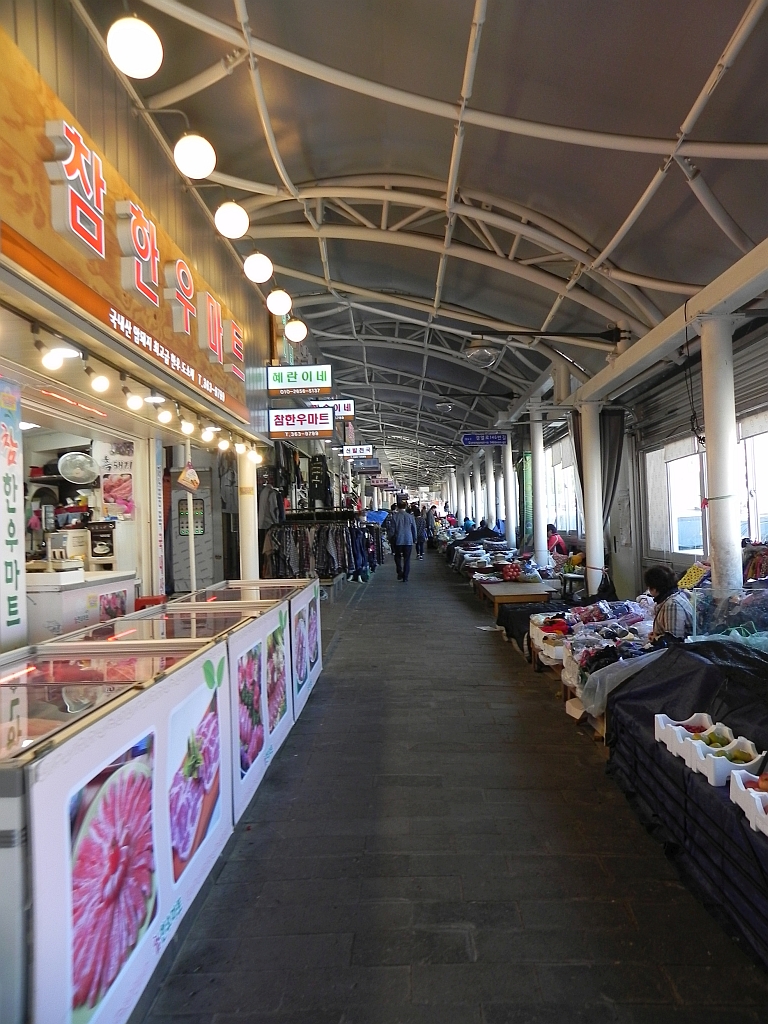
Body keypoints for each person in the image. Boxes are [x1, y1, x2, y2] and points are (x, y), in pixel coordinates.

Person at [644, 565, 693, 642]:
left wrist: (656, 638)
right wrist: (657, 634)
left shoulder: (672, 604)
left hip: (681, 647)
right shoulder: (677, 595)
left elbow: (674, 639)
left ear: (654, 589)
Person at [390, 499, 417, 582]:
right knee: (407, 559)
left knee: (397, 557)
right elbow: (414, 529)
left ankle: (399, 571)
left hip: (398, 540)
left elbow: (392, 530)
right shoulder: (410, 517)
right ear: (405, 507)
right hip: (408, 540)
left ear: (397, 507)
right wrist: (414, 538)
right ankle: (405, 577)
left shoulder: (395, 517)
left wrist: (390, 538)